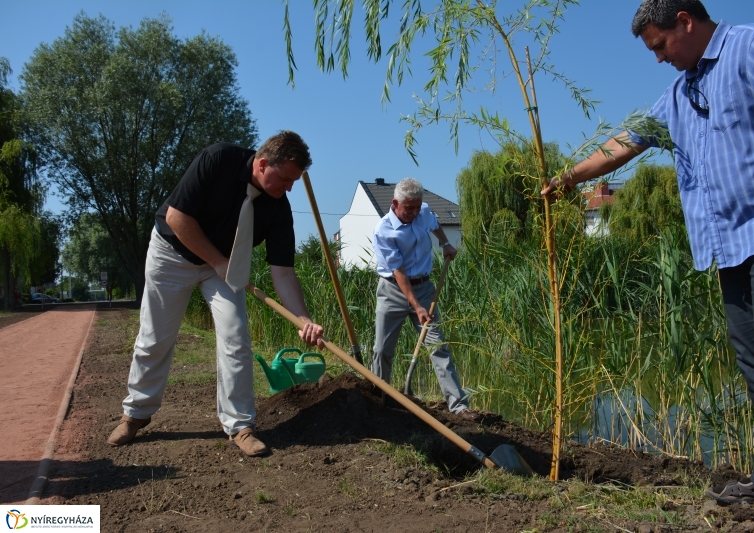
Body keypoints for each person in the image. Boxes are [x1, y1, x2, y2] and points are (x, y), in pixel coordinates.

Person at [541, 2, 754, 530]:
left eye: (660, 46)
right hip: (730, 247)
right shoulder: (679, 96)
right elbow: (626, 143)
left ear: (685, 20)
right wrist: (570, 177)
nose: (658, 59)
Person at [107, 131, 324, 457]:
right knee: (155, 338)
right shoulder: (218, 159)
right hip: (173, 254)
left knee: (236, 336)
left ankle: (240, 426)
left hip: (223, 267)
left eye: (294, 181)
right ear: (263, 164)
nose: (289, 187)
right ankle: (135, 414)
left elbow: (283, 271)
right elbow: (177, 217)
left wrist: (302, 318)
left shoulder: (278, 206)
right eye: (285, 179)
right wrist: (219, 261)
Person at [371, 178, 477, 420]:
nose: (414, 212)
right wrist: (416, 307)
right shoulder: (384, 230)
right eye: (409, 208)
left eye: (417, 207)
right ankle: (380, 401)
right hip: (393, 292)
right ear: (395, 203)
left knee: (438, 347)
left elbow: (434, 223)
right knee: (382, 350)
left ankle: (459, 406)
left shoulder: (423, 211)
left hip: (425, 288)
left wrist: (446, 242)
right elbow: (398, 273)